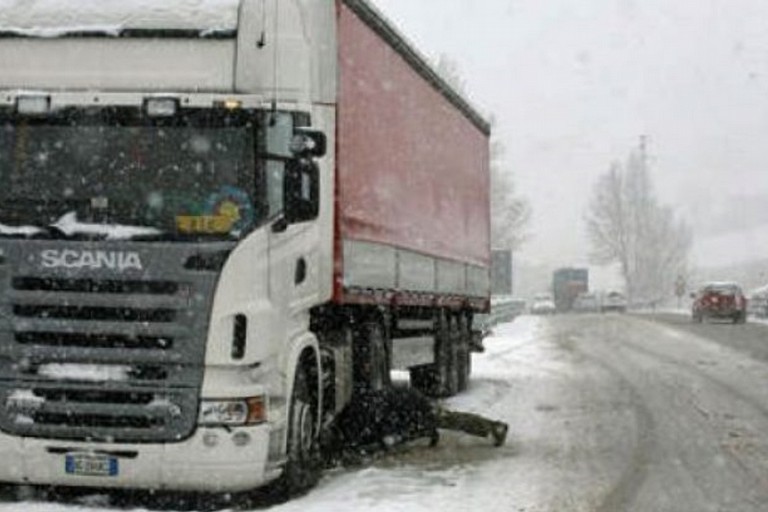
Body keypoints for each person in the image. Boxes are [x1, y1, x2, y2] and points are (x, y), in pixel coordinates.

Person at [322, 386, 508, 464]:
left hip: (409, 405)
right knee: (442, 419)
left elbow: (383, 430)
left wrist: (384, 444)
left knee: (445, 419)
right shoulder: (350, 417)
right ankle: (492, 427)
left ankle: (493, 427)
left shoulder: (354, 424)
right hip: (404, 400)